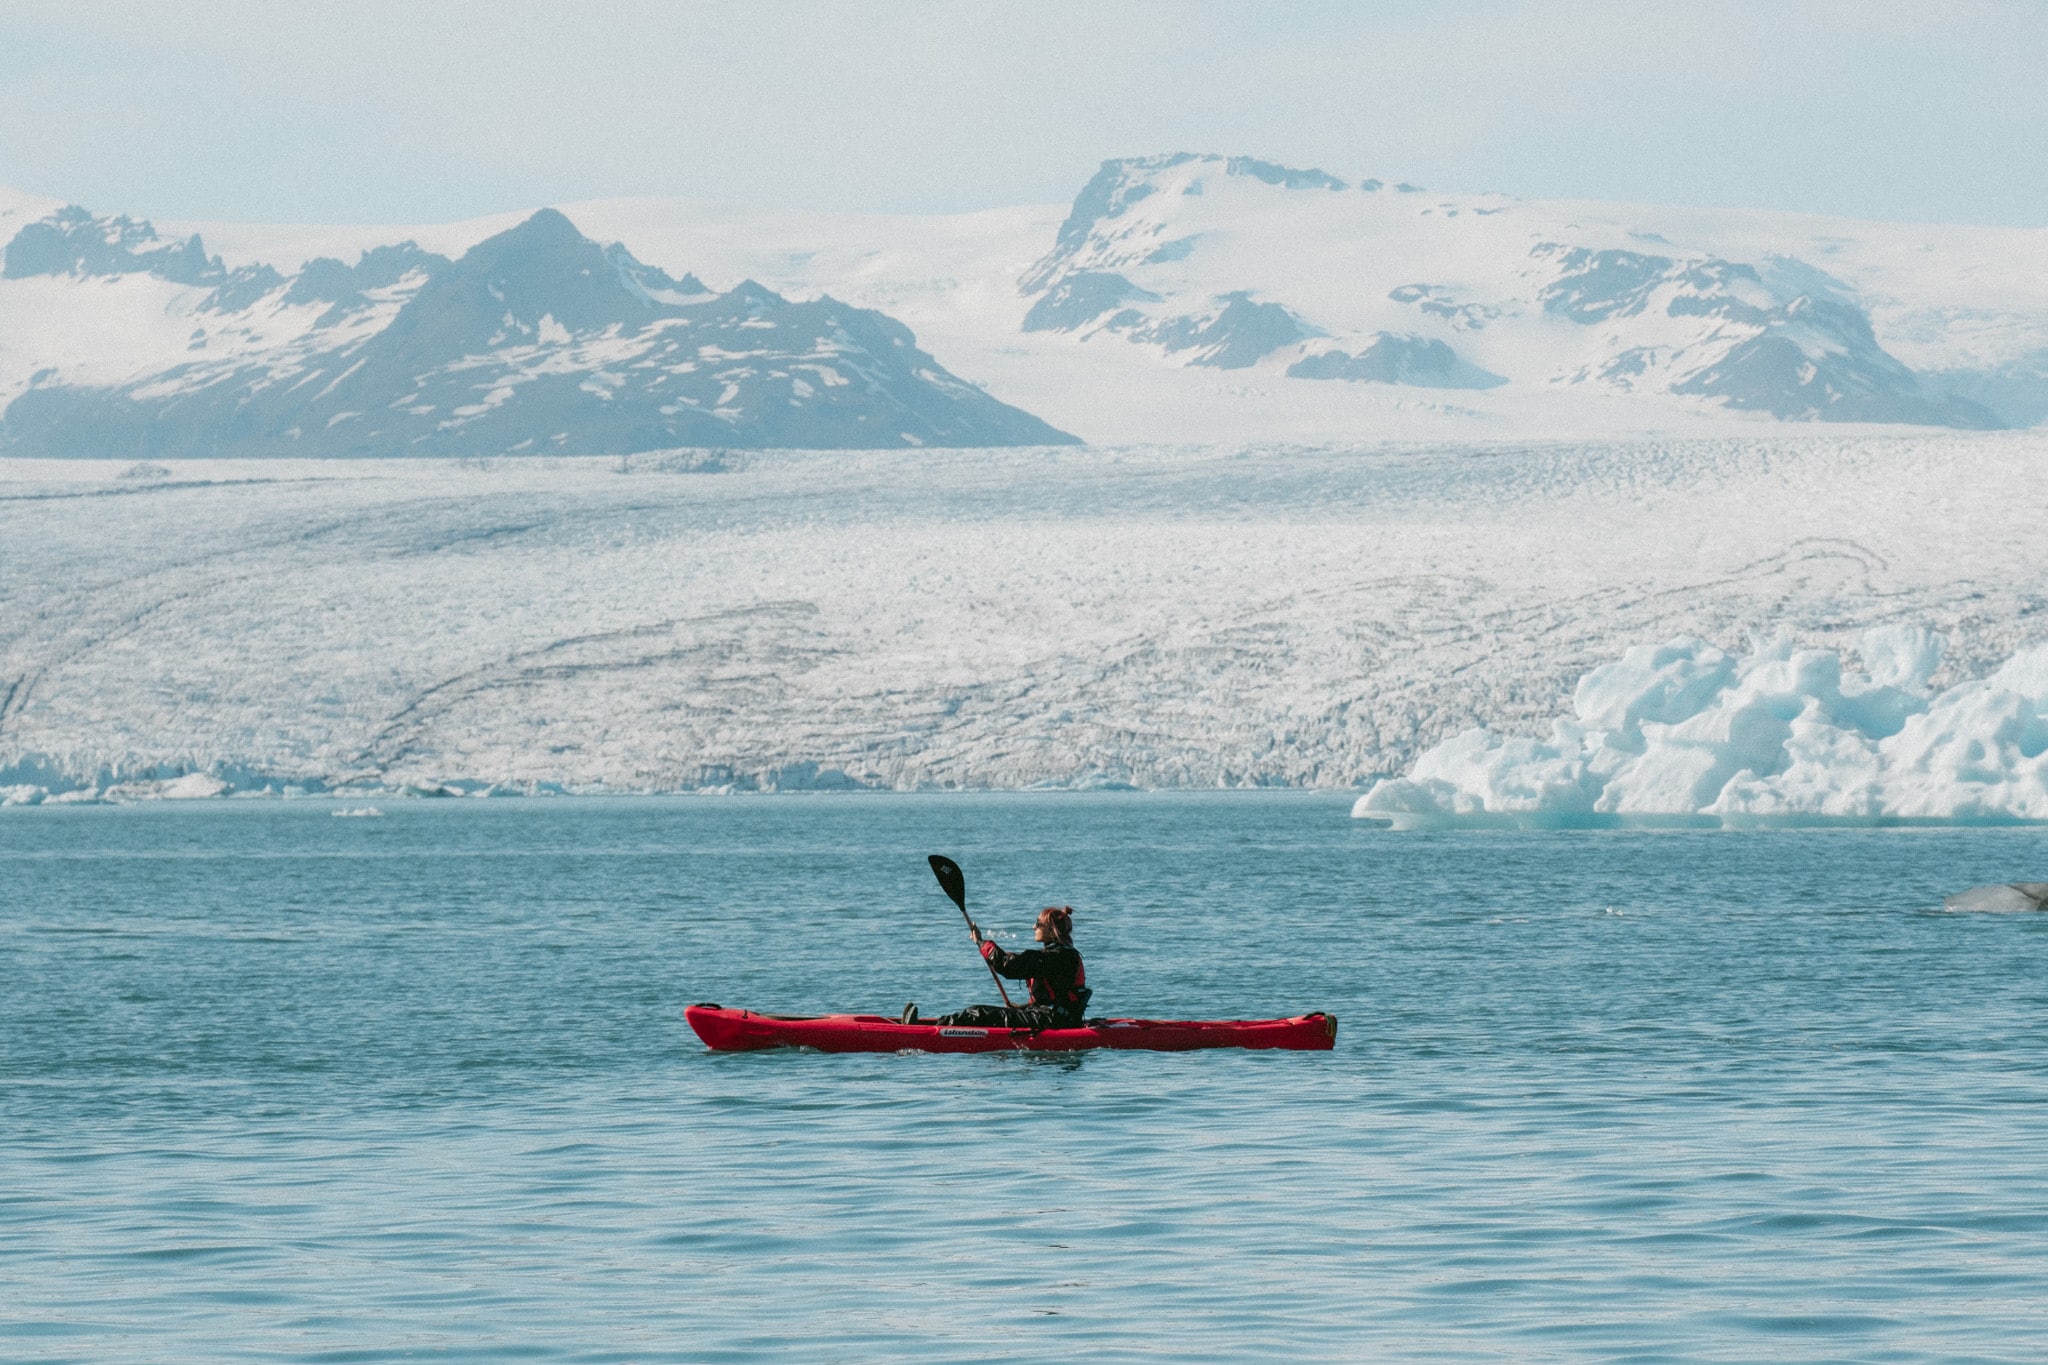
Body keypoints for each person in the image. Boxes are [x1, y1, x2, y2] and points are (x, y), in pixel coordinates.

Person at [900, 905, 1091, 1030]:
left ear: (1052, 930)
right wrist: (1022, 1008)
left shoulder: (1060, 957)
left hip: (1053, 1022)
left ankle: (921, 1029)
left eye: (1038, 924)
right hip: (1050, 1017)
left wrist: (983, 944)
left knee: (977, 1014)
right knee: (983, 1013)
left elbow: (1009, 965)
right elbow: (1050, 997)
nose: (1033, 927)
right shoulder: (1059, 954)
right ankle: (932, 1024)